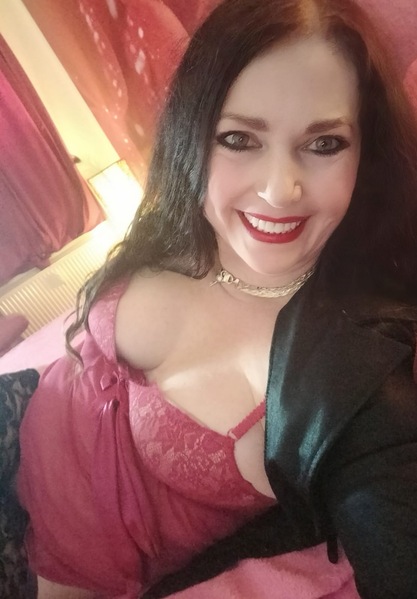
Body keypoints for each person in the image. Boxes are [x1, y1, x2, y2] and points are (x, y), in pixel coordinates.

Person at [16, 0, 417, 597]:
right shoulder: (180, 226)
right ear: (194, 137)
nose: (279, 190)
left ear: (367, 152)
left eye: (325, 143)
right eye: (238, 138)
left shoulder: (359, 369)